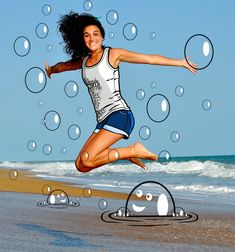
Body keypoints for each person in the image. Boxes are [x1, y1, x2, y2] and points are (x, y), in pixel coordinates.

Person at [45, 12, 197, 173]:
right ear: (81, 40)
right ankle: (127, 153)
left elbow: (148, 58)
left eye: (96, 34)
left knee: (87, 159)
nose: (92, 39)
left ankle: (133, 150)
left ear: (102, 36)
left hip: (120, 115)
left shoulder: (112, 54)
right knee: (81, 165)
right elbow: (63, 66)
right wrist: (51, 70)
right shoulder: (83, 61)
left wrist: (180, 62)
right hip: (103, 119)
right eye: (87, 35)